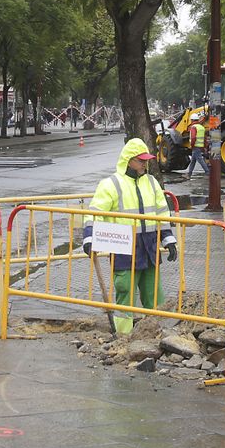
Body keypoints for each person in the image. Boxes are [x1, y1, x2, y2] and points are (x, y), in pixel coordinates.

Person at [82, 138, 178, 335]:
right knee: (125, 291)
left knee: (154, 294)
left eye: (146, 160)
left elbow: (162, 213)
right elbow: (94, 213)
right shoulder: (111, 184)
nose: (145, 164)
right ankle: (123, 334)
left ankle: (158, 333)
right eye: (140, 160)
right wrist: (89, 238)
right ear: (128, 160)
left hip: (150, 248)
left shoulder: (151, 182)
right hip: (124, 248)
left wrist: (168, 240)